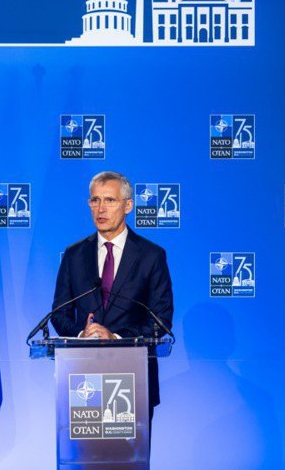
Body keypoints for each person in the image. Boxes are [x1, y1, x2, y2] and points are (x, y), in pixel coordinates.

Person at [51, 171, 174, 424]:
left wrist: (116, 337)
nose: (101, 209)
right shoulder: (74, 255)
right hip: (83, 381)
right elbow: (59, 313)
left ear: (128, 205)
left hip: (134, 379)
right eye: (95, 200)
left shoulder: (151, 255)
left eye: (110, 200)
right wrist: (82, 335)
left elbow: (161, 320)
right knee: (87, 461)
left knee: (131, 461)